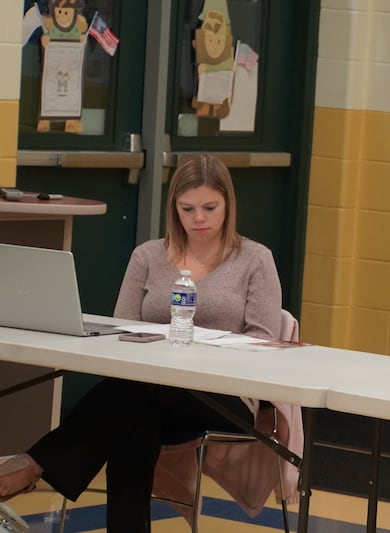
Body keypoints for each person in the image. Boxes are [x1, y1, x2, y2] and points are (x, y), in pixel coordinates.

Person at [0, 154, 284, 532]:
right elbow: (122, 331)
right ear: (174, 209)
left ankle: (35, 463)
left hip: (222, 395)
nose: (199, 218)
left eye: (210, 208)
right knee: (136, 413)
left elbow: (263, 344)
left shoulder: (255, 259)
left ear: (228, 206)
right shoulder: (148, 256)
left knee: (132, 399)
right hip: (152, 388)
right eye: (188, 209)